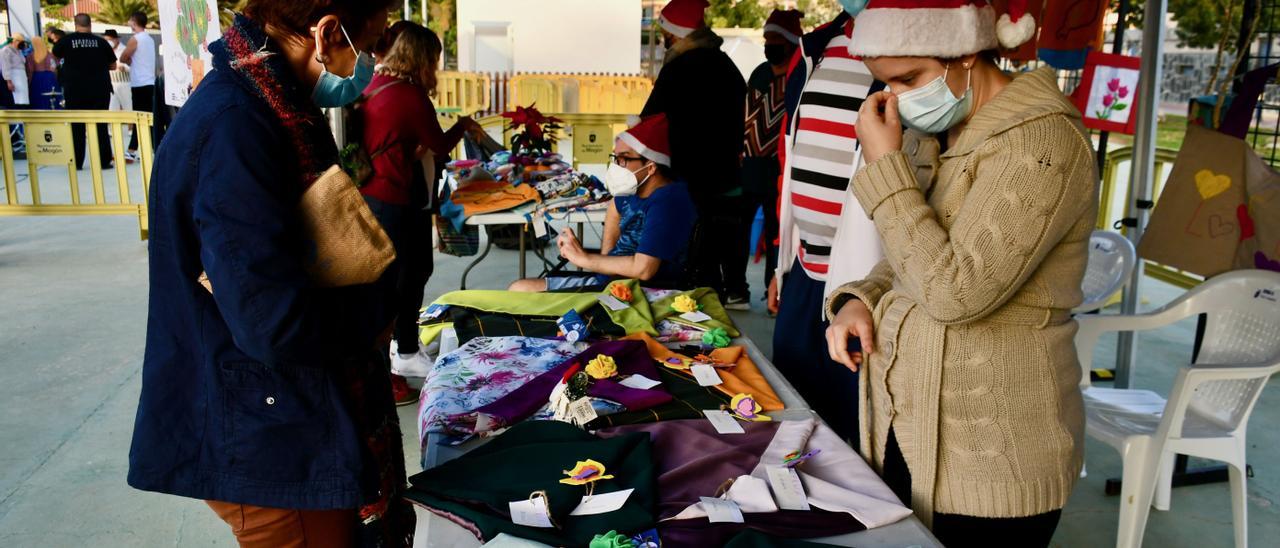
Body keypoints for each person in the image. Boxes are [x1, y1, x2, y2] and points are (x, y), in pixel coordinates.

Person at [127, 0, 417, 546]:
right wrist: (376, 310)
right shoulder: (237, 126)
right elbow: (272, 323)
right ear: (327, 31)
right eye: (372, 43)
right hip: (272, 435)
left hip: (282, 411)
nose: (373, 62)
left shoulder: (271, 106)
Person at [824, 1, 1093, 545]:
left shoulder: (1043, 145)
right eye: (885, 84)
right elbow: (913, 256)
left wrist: (885, 170)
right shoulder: (941, 134)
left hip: (993, 453)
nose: (896, 100)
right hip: (907, 425)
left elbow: (954, 291)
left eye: (909, 78)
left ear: (968, 51)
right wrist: (856, 299)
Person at [768, 2, 881, 444]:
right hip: (805, 268)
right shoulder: (818, 44)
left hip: (867, 280)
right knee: (794, 403)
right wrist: (783, 263)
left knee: (855, 416)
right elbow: (791, 159)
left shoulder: (910, 46)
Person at [358, 23, 482, 398]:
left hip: (375, 195)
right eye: (434, 59)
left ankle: (402, 349)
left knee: (396, 278)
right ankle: (401, 355)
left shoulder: (374, 85)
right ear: (421, 57)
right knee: (406, 277)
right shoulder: (409, 94)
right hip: (397, 199)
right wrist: (462, 126)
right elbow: (439, 145)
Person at [508, 114, 698, 293]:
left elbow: (644, 270)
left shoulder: (668, 201)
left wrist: (585, 259)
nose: (617, 166)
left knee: (520, 290)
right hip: (613, 283)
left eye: (624, 158)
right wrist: (606, 259)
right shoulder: (635, 188)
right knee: (520, 289)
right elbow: (615, 207)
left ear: (651, 166)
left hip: (640, 291)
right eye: (615, 158)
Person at [642, 0, 746, 306]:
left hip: (686, 176)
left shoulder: (678, 69)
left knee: (689, 253)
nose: (664, 39)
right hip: (724, 176)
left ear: (675, 35)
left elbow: (651, 120)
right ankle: (714, 300)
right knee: (711, 249)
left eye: (664, 32)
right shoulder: (726, 66)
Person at [741, 9, 802, 310]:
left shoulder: (800, 73)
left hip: (781, 166)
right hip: (752, 164)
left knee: (778, 230)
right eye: (767, 39)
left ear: (791, 42)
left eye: (776, 39)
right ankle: (737, 286)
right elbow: (749, 119)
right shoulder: (760, 73)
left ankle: (773, 288)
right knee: (742, 227)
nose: (769, 45)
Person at [52, 14, 115, 170]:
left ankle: (77, 161)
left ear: (75, 24)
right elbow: (113, 66)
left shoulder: (66, 41)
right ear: (90, 24)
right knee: (101, 124)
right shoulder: (101, 42)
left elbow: (55, 55)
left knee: (76, 126)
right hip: (99, 89)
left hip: (75, 89)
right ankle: (104, 160)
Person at [119, 11, 155, 161]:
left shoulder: (135, 39)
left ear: (134, 22)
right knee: (149, 118)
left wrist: (129, 62)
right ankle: (152, 148)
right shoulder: (150, 39)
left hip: (139, 83)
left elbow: (123, 57)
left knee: (139, 117)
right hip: (150, 82)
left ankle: (132, 150)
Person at [27, 37, 60, 110]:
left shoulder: (31, 56)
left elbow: (30, 71)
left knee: (38, 99)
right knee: (52, 97)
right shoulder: (51, 55)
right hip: (50, 77)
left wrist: (28, 83)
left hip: (37, 78)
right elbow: (55, 69)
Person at [2, 34, 31, 108]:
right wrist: (9, 81)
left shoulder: (19, 51)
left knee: (23, 100)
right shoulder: (6, 50)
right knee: (16, 99)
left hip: (22, 77)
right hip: (13, 76)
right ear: (15, 41)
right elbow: (5, 66)